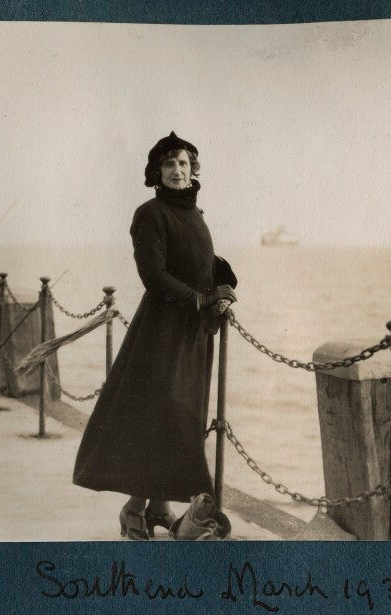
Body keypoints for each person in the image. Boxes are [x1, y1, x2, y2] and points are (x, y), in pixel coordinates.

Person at [73, 132, 238, 540]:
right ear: (156, 172)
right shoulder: (150, 213)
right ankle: (134, 508)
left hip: (192, 333)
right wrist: (200, 299)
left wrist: (220, 282)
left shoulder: (195, 212)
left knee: (182, 418)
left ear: (192, 169)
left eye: (183, 163)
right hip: (162, 332)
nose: (177, 171)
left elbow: (195, 260)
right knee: (163, 416)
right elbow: (153, 275)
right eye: (169, 164)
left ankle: (157, 508)